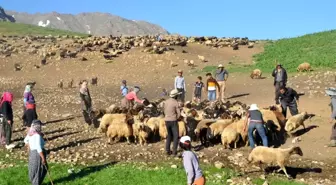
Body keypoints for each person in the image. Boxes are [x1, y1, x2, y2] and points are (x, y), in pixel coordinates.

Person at [24, 119, 48, 185]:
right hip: (37, 154)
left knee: (35, 169)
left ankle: (35, 182)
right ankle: (36, 183)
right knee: (39, 169)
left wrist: (29, 147)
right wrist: (43, 158)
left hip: (32, 153)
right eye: (40, 126)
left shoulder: (30, 133)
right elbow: (38, 147)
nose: (41, 128)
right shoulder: (37, 136)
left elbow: (25, 140)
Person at [163, 89, 181, 156]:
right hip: (173, 120)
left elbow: (164, 111)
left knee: (169, 135)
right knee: (176, 136)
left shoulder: (166, 101)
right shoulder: (175, 102)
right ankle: (174, 152)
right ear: (175, 96)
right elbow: (179, 113)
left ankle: (167, 151)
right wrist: (177, 117)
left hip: (166, 120)